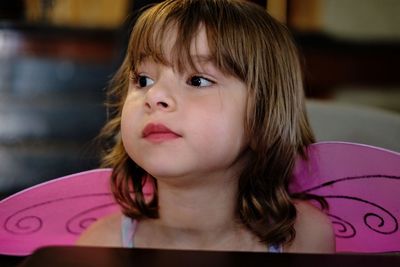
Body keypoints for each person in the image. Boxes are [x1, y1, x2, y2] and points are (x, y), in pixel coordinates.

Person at [77, 0, 335, 253]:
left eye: (197, 80)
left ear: (262, 116)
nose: (154, 96)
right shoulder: (101, 246)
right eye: (143, 80)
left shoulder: (305, 238)